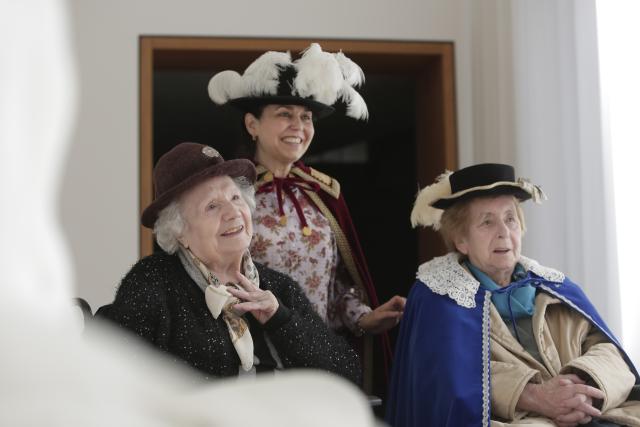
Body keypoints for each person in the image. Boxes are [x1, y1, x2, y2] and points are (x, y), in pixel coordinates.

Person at [386, 163, 640, 427]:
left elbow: (610, 352)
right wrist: (534, 396)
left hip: (592, 412)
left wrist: (583, 390)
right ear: (461, 240)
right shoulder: (438, 296)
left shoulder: (555, 287)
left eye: (510, 219)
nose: (503, 232)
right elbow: (446, 379)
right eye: (487, 222)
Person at [207, 43, 405, 367]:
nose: (298, 126)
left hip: (318, 356)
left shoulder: (323, 193)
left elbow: (337, 287)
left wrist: (365, 318)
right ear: (252, 124)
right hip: (251, 359)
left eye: (306, 117)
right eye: (284, 114)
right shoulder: (228, 193)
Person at [97, 142, 361, 384]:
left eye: (235, 198)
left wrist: (280, 319)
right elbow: (118, 385)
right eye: (212, 206)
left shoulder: (276, 288)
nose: (233, 212)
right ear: (179, 229)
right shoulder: (152, 282)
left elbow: (348, 374)